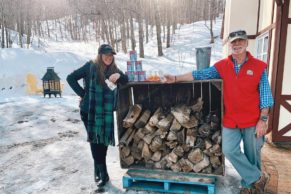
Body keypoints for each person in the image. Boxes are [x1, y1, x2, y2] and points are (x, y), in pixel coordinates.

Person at [164, 30, 274, 194]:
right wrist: (176, 78)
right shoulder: (222, 66)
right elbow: (199, 74)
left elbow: (266, 95)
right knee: (228, 149)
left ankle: (249, 186)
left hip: (253, 120)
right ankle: (258, 178)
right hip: (231, 119)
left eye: (240, 41)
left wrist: (263, 119)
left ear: (246, 43)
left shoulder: (258, 67)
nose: (237, 45)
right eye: (233, 42)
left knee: (252, 154)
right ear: (230, 45)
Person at [67, 44, 128, 190]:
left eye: (111, 55)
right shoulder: (90, 66)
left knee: (103, 141)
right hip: (89, 111)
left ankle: (98, 167)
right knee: (95, 141)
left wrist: (119, 76)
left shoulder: (114, 70)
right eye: (106, 54)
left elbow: (126, 79)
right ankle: (103, 173)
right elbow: (70, 78)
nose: (109, 57)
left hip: (105, 112)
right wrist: (83, 95)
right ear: (100, 55)